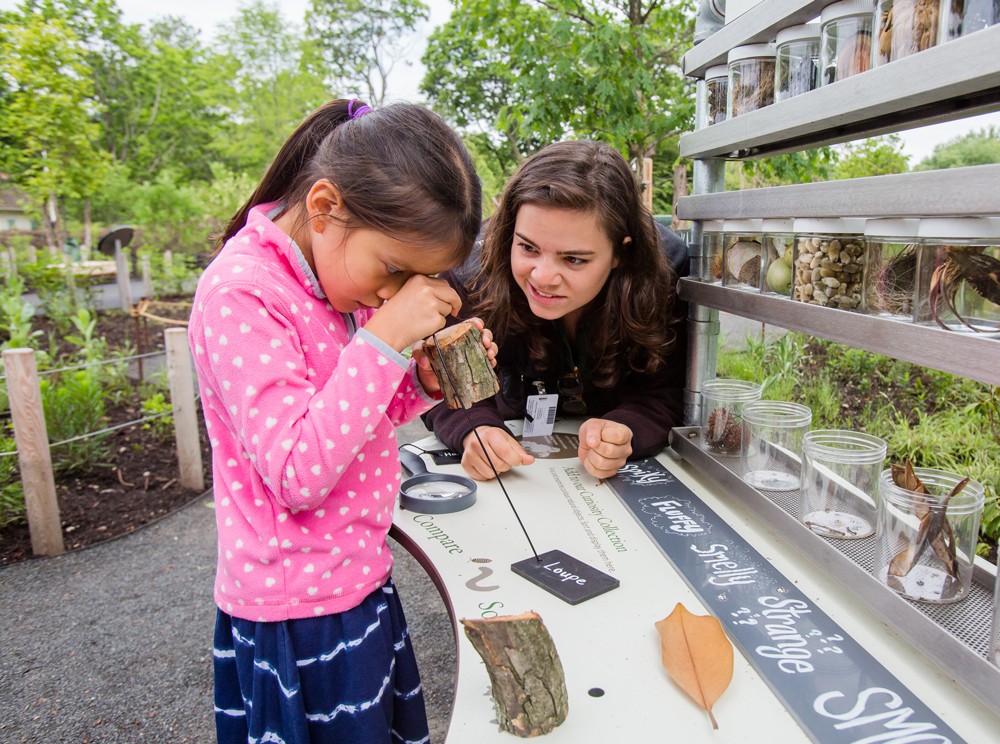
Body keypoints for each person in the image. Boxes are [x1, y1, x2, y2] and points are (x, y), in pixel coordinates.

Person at [188, 99, 486, 744]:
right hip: (295, 613)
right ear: (325, 208)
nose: (396, 294)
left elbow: (350, 415)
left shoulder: (328, 280)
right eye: (394, 271)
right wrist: (383, 341)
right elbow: (298, 470)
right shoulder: (243, 293)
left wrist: (420, 384)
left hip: (356, 581)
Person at [424, 140, 689, 481]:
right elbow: (444, 384)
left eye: (574, 259)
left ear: (622, 252)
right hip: (515, 456)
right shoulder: (467, 275)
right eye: (528, 248)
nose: (543, 277)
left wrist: (626, 428)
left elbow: (667, 391)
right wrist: (473, 429)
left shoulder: (667, 274)